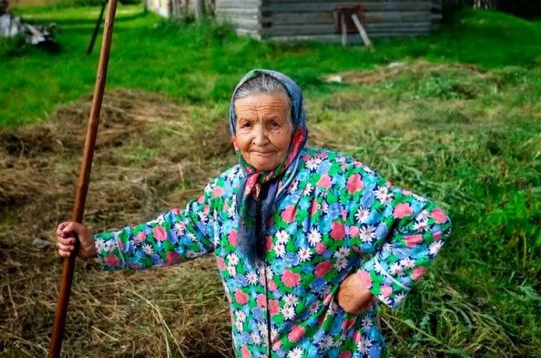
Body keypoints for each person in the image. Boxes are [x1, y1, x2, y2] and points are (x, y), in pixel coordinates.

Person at [56, 69, 451, 358]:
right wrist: (99, 246)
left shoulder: (335, 182)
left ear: (296, 130)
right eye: (247, 124)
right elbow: (175, 233)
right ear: (233, 134)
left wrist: (366, 281)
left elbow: (426, 222)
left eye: (273, 124)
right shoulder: (227, 192)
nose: (259, 138)